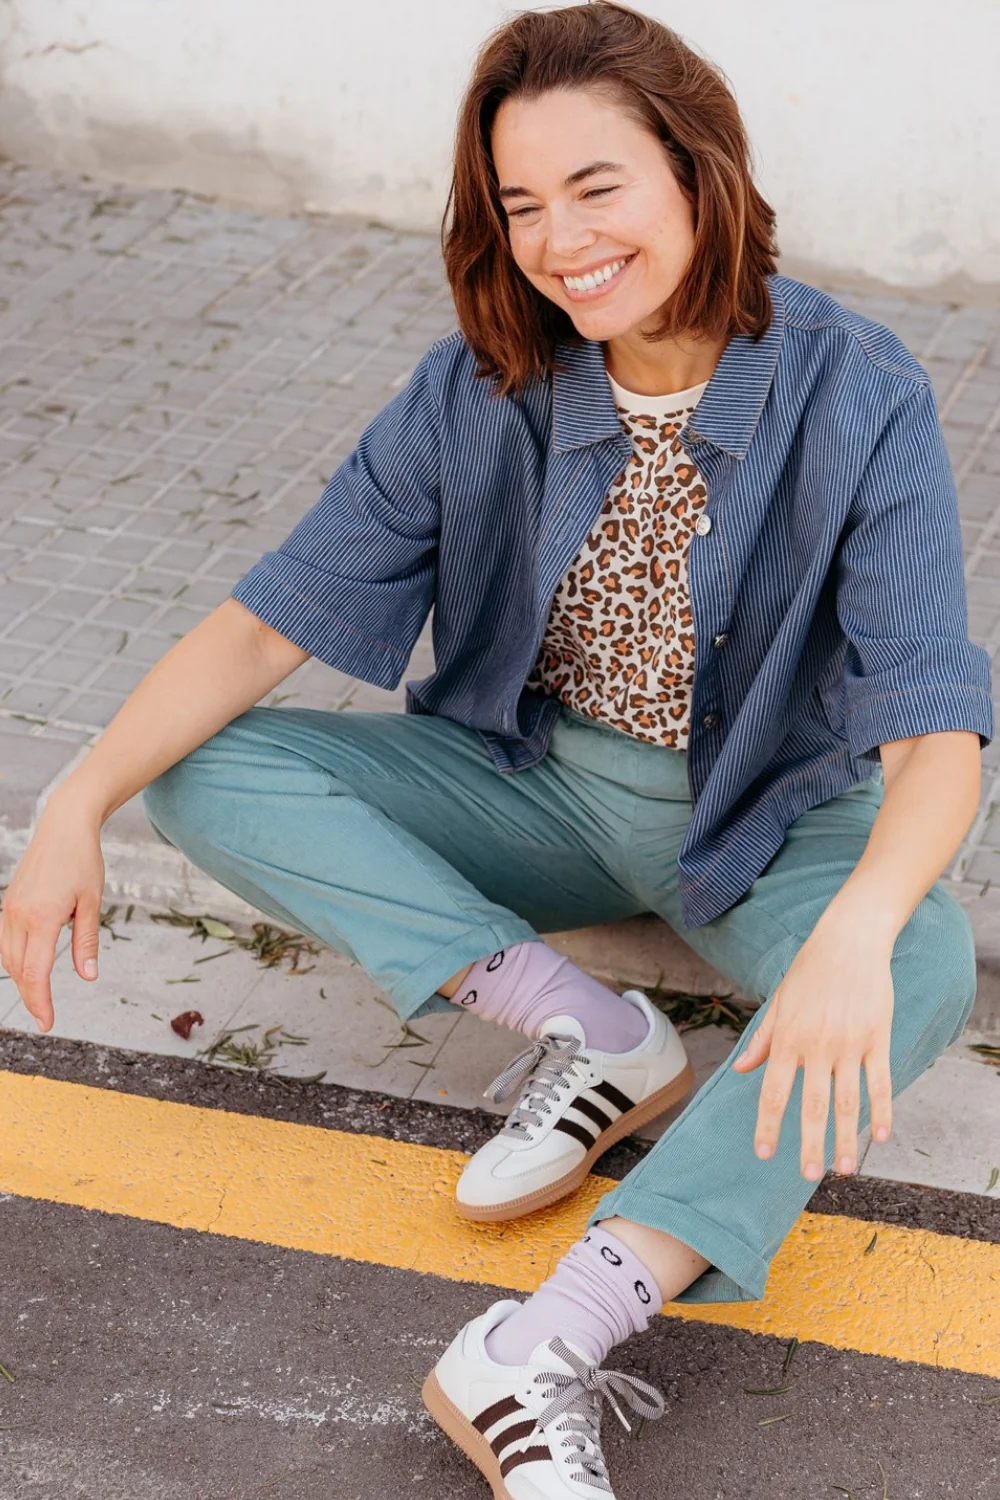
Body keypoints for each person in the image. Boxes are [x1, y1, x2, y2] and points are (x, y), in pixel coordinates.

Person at [1, 2, 992, 1493]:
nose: (558, 241)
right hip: (540, 787)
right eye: (521, 202)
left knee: (915, 956)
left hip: (770, 820)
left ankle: (549, 1337)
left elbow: (940, 727)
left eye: (598, 188)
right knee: (201, 764)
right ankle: (587, 1030)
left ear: (697, 174)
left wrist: (855, 927)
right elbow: (269, 623)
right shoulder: (483, 381)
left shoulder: (860, 391)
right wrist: (74, 799)